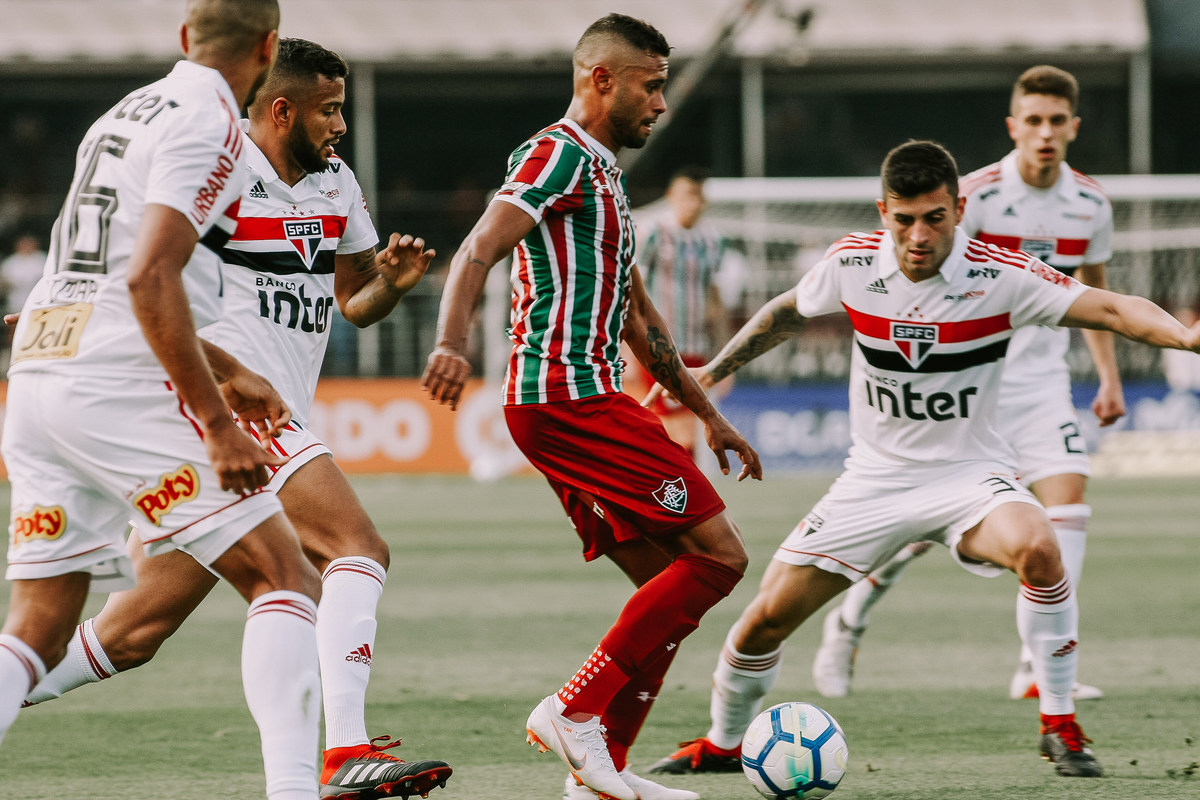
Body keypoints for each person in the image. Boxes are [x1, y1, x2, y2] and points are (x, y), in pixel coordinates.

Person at [647, 140, 1200, 781]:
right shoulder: (852, 264)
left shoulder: (1001, 274)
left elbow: (1109, 307)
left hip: (971, 477)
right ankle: (721, 742)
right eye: (903, 218)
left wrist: (1185, 336)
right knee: (762, 623)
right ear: (883, 211)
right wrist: (713, 370)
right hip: (873, 481)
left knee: (1041, 545)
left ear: (959, 210)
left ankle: (1060, 722)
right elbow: (788, 313)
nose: (917, 235)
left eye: (934, 218)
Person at [15, 37, 452, 800]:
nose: (341, 126)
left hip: (247, 405)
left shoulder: (335, 184)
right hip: (224, 405)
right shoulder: (218, 165)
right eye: (330, 111)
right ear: (281, 108)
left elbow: (353, 300)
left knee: (132, 633)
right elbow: (145, 273)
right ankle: (342, 750)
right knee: (352, 548)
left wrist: (392, 284)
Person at [422, 14, 762, 800]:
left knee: (669, 593)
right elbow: (479, 246)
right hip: (569, 397)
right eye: (652, 85)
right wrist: (451, 341)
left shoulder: (606, 178)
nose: (662, 104)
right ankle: (574, 712)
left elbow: (644, 324)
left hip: (574, 400)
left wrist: (708, 416)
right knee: (721, 557)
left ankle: (594, 774)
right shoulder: (557, 155)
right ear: (601, 79)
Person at [0, 3, 332, 799]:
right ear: (267, 47)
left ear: (185, 39)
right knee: (287, 578)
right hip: (115, 379)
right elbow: (149, 275)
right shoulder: (210, 122)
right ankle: (295, 791)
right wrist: (217, 421)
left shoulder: (126, 110)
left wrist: (225, 365)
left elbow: (112, 268)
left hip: (43, 364)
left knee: (41, 620)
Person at [811, 65, 1123, 703]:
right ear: (1013, 126)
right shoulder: (972, 198)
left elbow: (1095, 294)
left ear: (1073, 127)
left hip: (1041, 387)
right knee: (918, 534)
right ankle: (847, 623)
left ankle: (1037, 668)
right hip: (970, 387)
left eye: (1056, 121)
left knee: (1067, 507)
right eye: (1032, 121)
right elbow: (926, 283)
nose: (1044, 134)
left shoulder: (1091, 204)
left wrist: (1109, 374)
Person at [625, 167, 729, 457]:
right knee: (675, 425)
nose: (692, 203)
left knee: (688, 427)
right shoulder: (653, 232)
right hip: (656, 345)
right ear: (671, 196)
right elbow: (632, 290)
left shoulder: (712, 242)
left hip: (695, 347)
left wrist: (724, 353)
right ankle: (677, 491)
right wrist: (627, 347)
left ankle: (675, 491)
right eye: (686, 196)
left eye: (697, 197)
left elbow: (714, 299)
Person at [0, 233, 46, 365]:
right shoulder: (11, 262)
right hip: (16, 302)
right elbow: (4, 283)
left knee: (38, 329)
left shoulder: (41, 259)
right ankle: (15, 356)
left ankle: (37, 357)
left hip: (38, 303)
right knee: (14, 330)